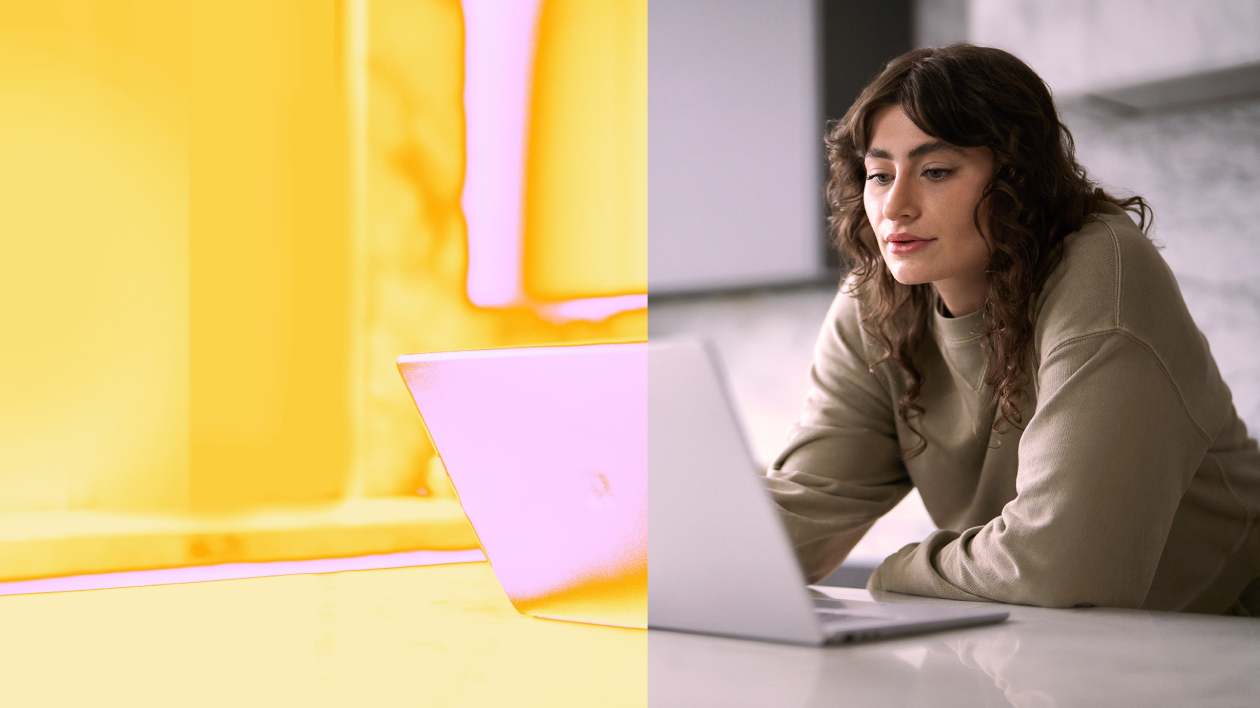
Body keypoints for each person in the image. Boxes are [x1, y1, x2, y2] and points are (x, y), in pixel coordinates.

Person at [764, 44, 1260, 614]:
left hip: (1224, 646)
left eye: (936, 171)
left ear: (1016, 178)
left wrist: (896, 571)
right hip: (1057, 652)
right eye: (879, 174)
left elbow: (1059, 568)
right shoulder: (876, 302)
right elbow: (809, 505)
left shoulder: (1103, 272)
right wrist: (649, 556)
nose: (894, 206)